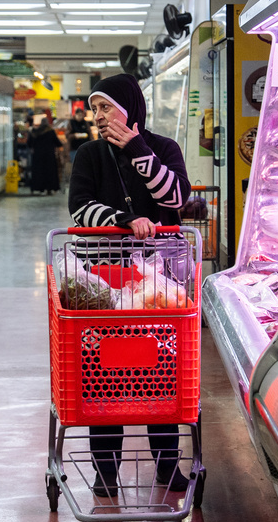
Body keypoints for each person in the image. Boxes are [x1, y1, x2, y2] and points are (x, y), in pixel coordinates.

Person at [68, 73, 192, 497]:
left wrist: (138, 150)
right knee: (106, 376)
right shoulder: (88, 154)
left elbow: (176, 199)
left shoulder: (162, 148)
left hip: (162, 287)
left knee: (161, 373)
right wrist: (124, 222)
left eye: (106, 107)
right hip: (105, 282)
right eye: (95, 109)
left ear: (129, 108)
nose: (99, 117)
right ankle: (106, 473)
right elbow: (80, 210)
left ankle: (167, 466)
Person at [27, 117, 62, 195]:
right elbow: (58, 143)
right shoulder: (51, 131)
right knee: (50, 172)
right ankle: (49, 189)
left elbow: (29, 143)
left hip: (37, 156)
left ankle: (39, 188)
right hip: (49, 156)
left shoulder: (35, 132)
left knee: (39, 172)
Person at [64, 107, 93, 185]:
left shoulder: (85, 123)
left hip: (85, 147)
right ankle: (75, 181)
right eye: (79, 115)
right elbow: (67, 135)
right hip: (74, 148)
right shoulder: (71, 123)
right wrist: (74, 135)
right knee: (75, 164)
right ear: (75, 115)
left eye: (81, 115)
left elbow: (90, 134)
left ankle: (84, 180)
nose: (80, 117)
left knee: (85, 165)